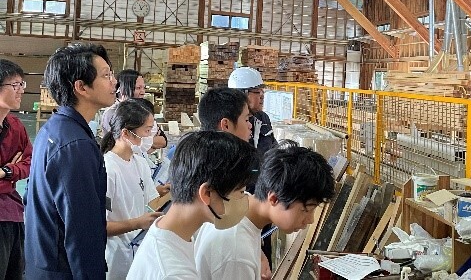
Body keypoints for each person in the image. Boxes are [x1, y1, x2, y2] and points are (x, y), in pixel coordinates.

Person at [24, 43, 117, 279]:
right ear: (81, 87)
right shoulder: (75, 145)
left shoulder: (54, 129)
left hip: (43, 262)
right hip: (63, 271)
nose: (114, 82)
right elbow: (82, 231)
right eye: (106, 75)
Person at [194, 140, 335, 280]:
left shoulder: (238, 206)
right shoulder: (237, 253)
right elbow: (235, 256)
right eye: (306, 210)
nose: (311, 220)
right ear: (274, 199)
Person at [127, 130, 258, 279]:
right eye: (241, 192)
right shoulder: (173, 274)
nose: (245, 199)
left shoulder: (169, 231)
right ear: (206, 193)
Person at [101, 99, 169, 279]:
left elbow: (150, 203)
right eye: (147, 131)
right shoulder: (108, 169)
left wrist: (173, 195)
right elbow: (101, 226)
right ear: (126, 133)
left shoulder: (139, 162)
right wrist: (137, 223)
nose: (150, 138)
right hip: (116, 256)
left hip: (139, 251)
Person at [228, 66, 278, 275]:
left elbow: (272, 150)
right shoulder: (231, 124)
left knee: (264, 254)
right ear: (242, 94)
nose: (262, 96)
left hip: (261, 197)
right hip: (237, 204)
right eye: (257, 92)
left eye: (262, 91)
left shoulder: (263, 119)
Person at [0, 60, 32, 280]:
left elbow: (30, 162)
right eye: (15, 85)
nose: (21, 90)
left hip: (13, 213)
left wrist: (7, 172)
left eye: (22, 84)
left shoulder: (15, 126)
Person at [101, 69, 146, 135]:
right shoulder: (112, 113)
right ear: (123, 88)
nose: (143, 92)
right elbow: (120, 139)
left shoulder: (142, 109)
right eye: (138, 88)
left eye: (144, 88)